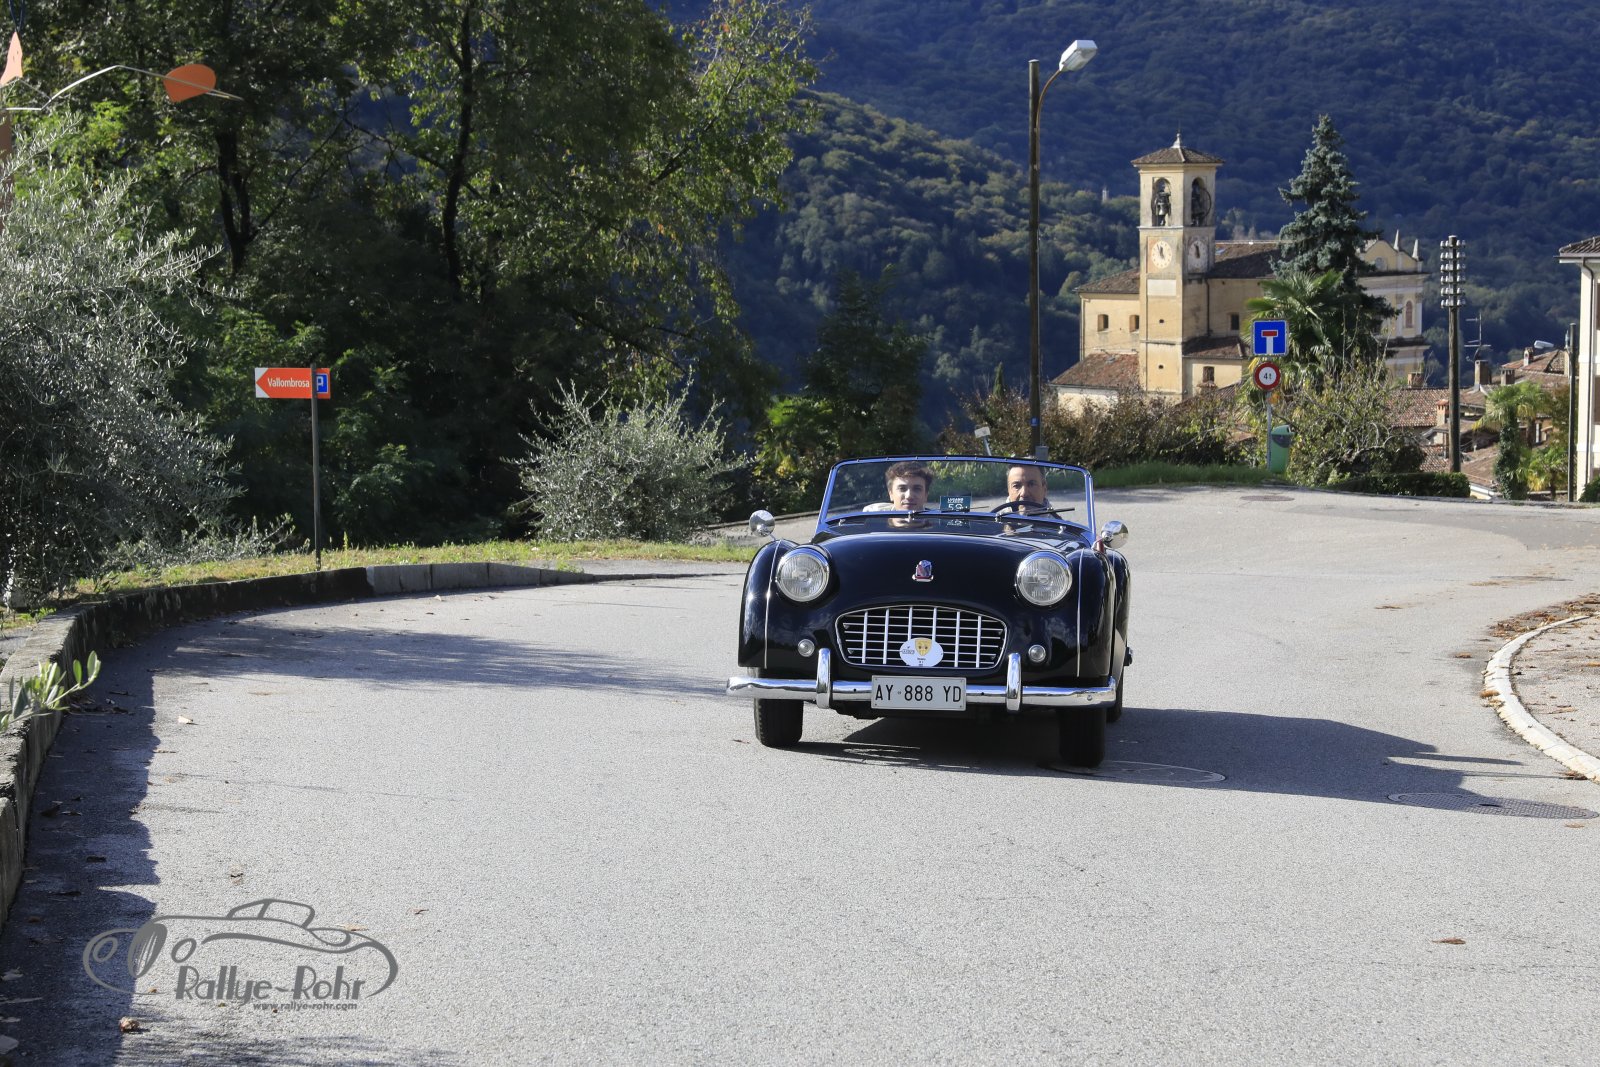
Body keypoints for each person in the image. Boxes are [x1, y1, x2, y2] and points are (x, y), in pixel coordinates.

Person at [864, 462, 933, 526]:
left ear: (926, 495)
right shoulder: (873, 517)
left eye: (917, 489)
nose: (909, 496)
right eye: (902, 489)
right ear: (891, 494)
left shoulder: (937, 523)